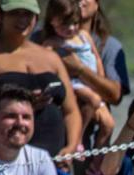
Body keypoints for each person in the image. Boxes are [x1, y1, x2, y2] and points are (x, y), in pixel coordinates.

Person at [0, 0, 82, 162]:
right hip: (2, 160)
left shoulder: (51, 57)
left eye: (28, 14)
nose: (22, 20)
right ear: (2, 15)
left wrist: (71, 147)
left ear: (36, 17)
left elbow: (71, 110)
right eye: (15, 13)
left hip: (53, 162)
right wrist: (19, 105)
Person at [39, 0, 114, 153]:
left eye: (74, 23)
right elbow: (42, 62)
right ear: (53, 21)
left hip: (91, 84)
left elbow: (96, 57)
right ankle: (77, 139)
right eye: (65, 24)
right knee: (92, 100)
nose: (71, 28)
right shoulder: (53, 42)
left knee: (109, 124)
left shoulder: (84, 35)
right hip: (73, 83)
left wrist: (100, 77)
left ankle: (97, 162)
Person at [76, 0, 128, 109]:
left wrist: (79, 69)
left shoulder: (110, 46)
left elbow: (115, 95)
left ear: (97, 4)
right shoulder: (42, 39)